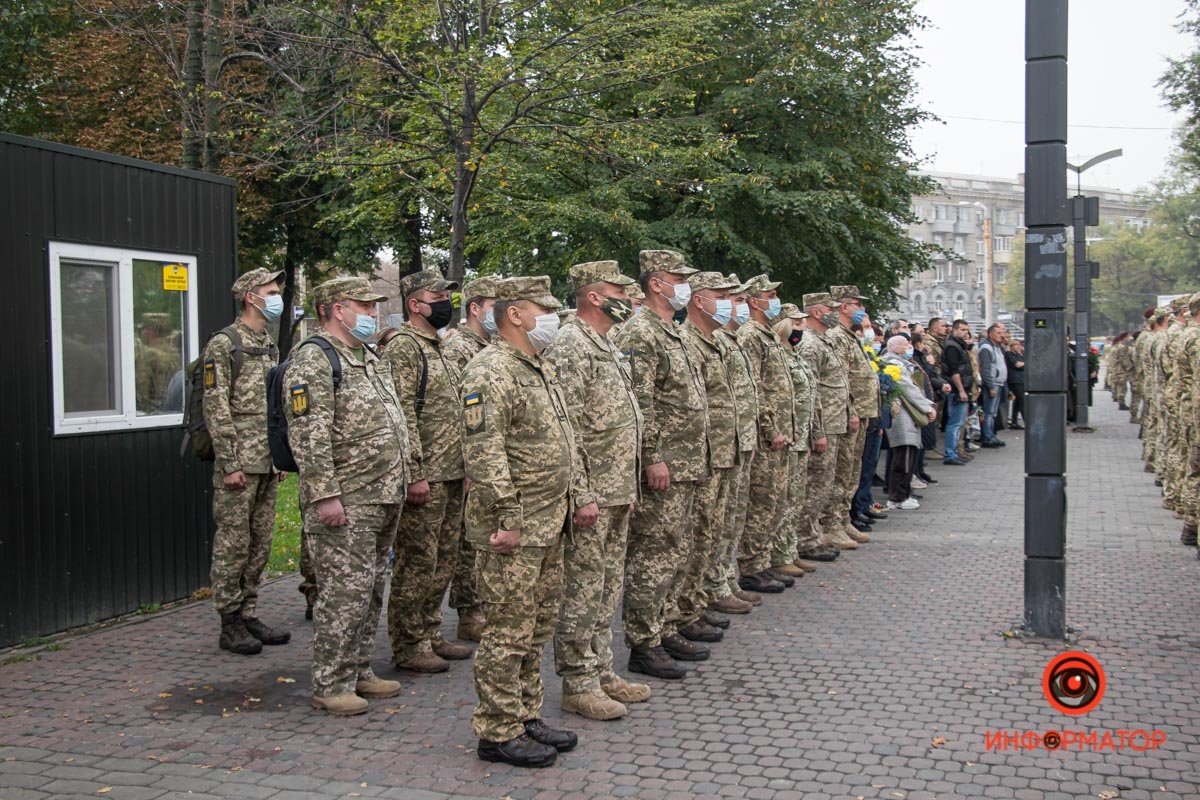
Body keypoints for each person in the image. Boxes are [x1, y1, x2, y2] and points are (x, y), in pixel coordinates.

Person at [462, 276, 582, 768]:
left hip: (547, 521)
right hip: (513, 527)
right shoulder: (490, 371)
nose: (553, 317)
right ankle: (496, 730)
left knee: (536, 625)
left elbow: (561, 441)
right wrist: (509, 517)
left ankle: (525, 714)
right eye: (544, 308)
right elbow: (484, 452)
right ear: (514, 313)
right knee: (507, 629)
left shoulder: (535, 365)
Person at [285, 275, 410, 716]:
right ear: (338, 309)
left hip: (381, 493)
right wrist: (324, 495)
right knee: (343, 593)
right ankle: (330, 681)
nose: (373, 313)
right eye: (365, 306)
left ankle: (358, 668)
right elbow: (309, 434)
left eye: (374, 307)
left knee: (371, 588)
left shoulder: (366, 356)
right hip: (347, 497)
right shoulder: (313, 360)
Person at [545, 261, 649, 722]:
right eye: (618, 291)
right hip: (592, 493)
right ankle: (578, 682)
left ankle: (602, 670)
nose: (627, 299)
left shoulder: (605, 342)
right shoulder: (571, 346)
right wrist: (581, 491)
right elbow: (567, 429)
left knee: (606, 587)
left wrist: (627, 480)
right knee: (583, 589)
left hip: (616, 487)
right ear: (593, 296)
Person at [613, 250, 711, 677]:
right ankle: (643, 641)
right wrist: (651, 456)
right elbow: (641, 402)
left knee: (676, 549)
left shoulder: (671, 331)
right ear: (656, 283)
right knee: (653, 552)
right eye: (678, 277)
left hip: (688, 462)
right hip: (665, 466)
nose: (685, 285)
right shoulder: (640, 333)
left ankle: (666, 625)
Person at [381, 268, 475, 674]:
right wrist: (414, 471)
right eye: (436, 296)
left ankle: (431, 632)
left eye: (447, 295)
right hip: (428, 476)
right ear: (414, 304)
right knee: (417, 563)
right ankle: (408, 643)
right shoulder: (403, 347)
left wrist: (468, 464)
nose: (444, 302)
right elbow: (400, 416)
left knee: (444, 560)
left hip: (452, 471)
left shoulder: (439, 346)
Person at [202, 267, 289, 656]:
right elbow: (216, 406)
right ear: (250, 296)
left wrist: (281, 455)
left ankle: (250, 611)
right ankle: (229, 619)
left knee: (260, 542)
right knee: (233, 544)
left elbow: (275, 405)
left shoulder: (268, 342)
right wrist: (230, 462)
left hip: (267, 460)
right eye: (270, 291)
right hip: (239, 462)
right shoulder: (225, 344)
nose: (276, 297)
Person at [673, 271, 743, 641]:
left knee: (709, 533)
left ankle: (696, 602)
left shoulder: (712, 341)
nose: (730, 303)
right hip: (696, 458)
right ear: (698, 300)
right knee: (691, 537)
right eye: (722, 295)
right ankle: (684, 610)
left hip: (717, 452)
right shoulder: (687, 340)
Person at [444, 275, 498, 641]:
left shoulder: (487, 344)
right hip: (467, 459)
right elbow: (458, 412)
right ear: (475, 308)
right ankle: (469, 611)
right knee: (467, 542)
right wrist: (467, 462)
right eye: (494, 306)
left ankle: (480, 605)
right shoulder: (460, 348)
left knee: (481, 538)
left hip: (486, 459)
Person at [735, 273, 798, 592]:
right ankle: (752, 565)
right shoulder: (750, 335)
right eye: (769, 295)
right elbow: (755, 388)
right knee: (762, 501)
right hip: (765, 435)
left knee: (775, 500)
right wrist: (771, 427)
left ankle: (765, 560)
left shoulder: (767, 334)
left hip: (780, 433)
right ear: (754, 299)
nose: (774, 301)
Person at [710, 275, 769, 609]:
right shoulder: (714, 339)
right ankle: (714, 587)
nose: (739, 306)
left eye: (742, 299)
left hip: (737, 441)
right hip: (716, 448)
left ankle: (726, 580)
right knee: (713, 527)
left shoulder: (731, 340)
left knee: (732, 519)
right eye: (734, 299)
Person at [773, 304, 831, 572]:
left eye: (802, 323)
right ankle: (779, 555)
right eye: (795, 324)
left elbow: (810, 397)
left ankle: (789, 549)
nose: (801, 329)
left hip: (800, 435)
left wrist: (812, 433)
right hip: (787, 436)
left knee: (795, 499)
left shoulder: (794, 354)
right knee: (783, 501)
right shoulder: (779, 354)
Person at [797, 292, 856, 552]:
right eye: (831, 308)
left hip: (835, 419)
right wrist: (816, 429)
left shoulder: (823, 341)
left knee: (829, 481)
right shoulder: (810, 344)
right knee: (816, 484)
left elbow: (838, 383)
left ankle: (822, 531)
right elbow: (811, 390)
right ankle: (807, 538)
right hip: (825, 422)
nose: (836, 311)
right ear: (817, 312)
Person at [828, 286, 878, 544]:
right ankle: (832, 524)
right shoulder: (836, 336)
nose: (861, 310)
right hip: (849, 414)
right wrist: (852, 410)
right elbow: (841, 378)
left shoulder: (849, 336)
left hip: (860, 412)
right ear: (843, 307)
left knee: (852, 471)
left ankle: (843, 520)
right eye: (857, 305)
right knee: (842, 471)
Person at [881, 336, 936, 509]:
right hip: (902, 416)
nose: (910, 348)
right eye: (906, 345)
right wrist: (927, 407)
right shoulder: (893, 364)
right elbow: (908, 389)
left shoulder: (898, 362)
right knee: (903, 459)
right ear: (896, 348)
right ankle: (898, 497)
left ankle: (902, 494)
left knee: (906, 456)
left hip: (905, 415)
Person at [940, 319, 973, 466]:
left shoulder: (959, 345)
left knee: (958, 423)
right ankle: (950, 453)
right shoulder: (952, 346)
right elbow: (954, 371)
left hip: (963, 388)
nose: (966, 333)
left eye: (967, 330)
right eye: (963, 330)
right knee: (954, 423)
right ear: (955, 329)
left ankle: (954, 452)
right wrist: (961, 390)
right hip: (956, 389)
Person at [976, 323, 1009, 448]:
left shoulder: (998, 347)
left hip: (999, 383)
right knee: (989, 412)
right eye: (999, 333)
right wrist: (990, 386)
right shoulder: (986, 347)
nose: (1002, 335)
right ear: (990, 334)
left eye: (1003, 333)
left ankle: (991, 435)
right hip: (993, 383)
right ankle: (987, 437)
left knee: (993, 413)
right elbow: (985, 368)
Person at [1006, 339, 1026, 429]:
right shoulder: (1009, 354)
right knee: (1022, 401)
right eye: (1016, 345)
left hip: (1021, 379)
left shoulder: (1019, 355)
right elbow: (1017, 365)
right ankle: (1027, 421)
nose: (1018, 346)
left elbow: (1023, 363)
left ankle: (1014, 422)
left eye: (1019, 344)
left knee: (1018, 402)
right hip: (1015, 380)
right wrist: (1024, 364)